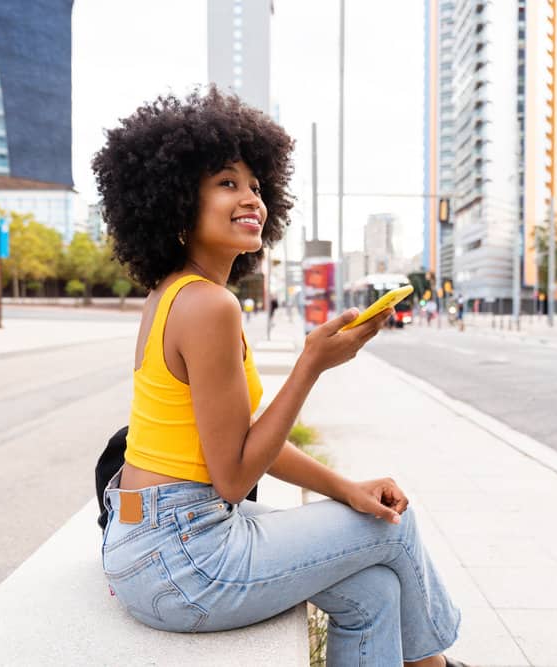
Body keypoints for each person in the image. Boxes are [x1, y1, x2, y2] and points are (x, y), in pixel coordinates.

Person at [91, 88, 464, 666]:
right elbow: (236, 477)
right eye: (226, 183)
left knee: (374, 590)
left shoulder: (178, 293)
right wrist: (310, 366)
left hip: (154, 536)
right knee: (396, 528)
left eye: (256, 186)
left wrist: (348, 488)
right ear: (174, 200)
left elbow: (241, 442)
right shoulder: (210, 308)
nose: (251, 200)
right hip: (182, 557)